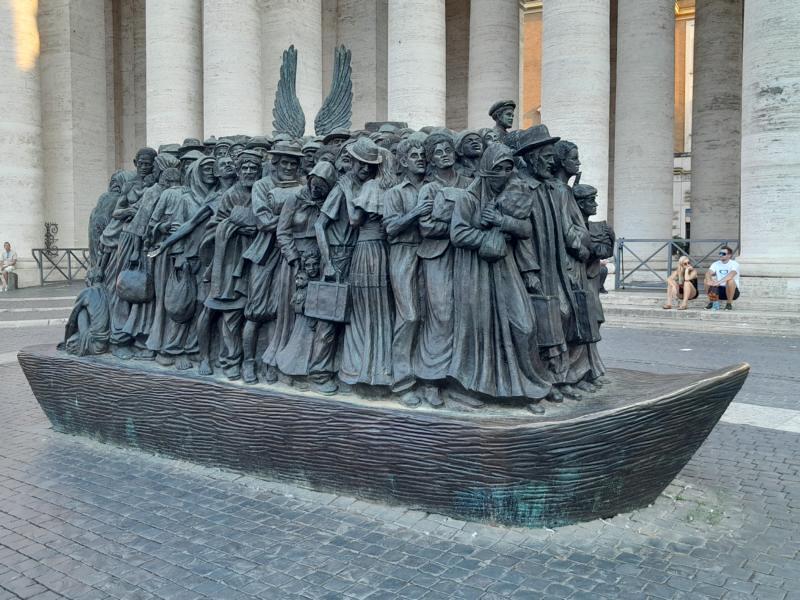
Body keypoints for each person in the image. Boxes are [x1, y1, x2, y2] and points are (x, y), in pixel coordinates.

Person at [705, 245, 740, 310]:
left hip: (733, 292)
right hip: (719, 291)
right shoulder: (715, 264)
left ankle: (729, 304)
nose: (721, 255)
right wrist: (709, 280)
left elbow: (731, 275)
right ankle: (711, 302)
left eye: (723, 254)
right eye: (720, 253)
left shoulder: (735, 264)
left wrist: (718, 282)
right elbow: (708, 273)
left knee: (730, 280)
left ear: (729, 255)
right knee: (706, 280)